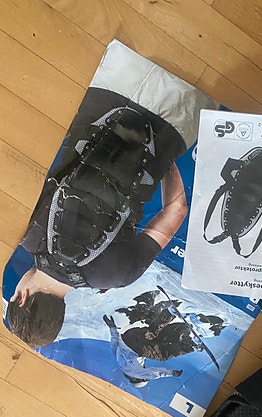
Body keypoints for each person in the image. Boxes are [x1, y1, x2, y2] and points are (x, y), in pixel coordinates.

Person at [7, 89, 189, 348]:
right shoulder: (24, 230)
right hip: (109, 94)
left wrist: (164, 158)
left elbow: (176, 210)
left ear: (61, 311)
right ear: (22, 297)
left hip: (170, 129)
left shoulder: (118, 276)